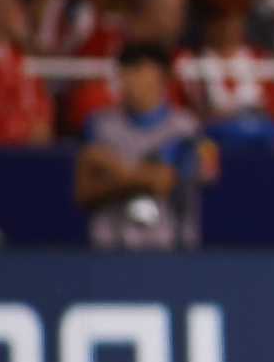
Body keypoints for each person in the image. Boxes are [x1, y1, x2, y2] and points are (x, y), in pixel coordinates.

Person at [73, 42, 217, 250]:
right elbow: (84, 193)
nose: (127, 78)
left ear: (161, 75)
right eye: (124, 70)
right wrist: (140, 177)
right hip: (110, 247)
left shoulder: (187, 128)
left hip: (168, 248)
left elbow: (162, 181)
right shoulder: (98, 125)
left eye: (137, 69)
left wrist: (116, 170)